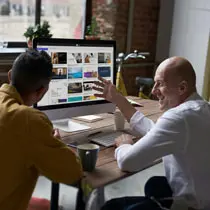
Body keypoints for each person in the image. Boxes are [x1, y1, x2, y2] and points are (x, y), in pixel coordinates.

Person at [93, 56, 210, 210]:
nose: (153, 91)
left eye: (160, 84)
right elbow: (155, 130)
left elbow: (128, 162)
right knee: (154, 184)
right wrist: (118, 98)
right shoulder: (200, 109)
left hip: (191, 206)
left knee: (110, 207)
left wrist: (124, 145)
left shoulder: (179, 117)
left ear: (182, 88)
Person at [0, 49, 83, 210]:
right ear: (41, 91)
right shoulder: (29, 120)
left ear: (10, 75)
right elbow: (72, 173)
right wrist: (58, 144)